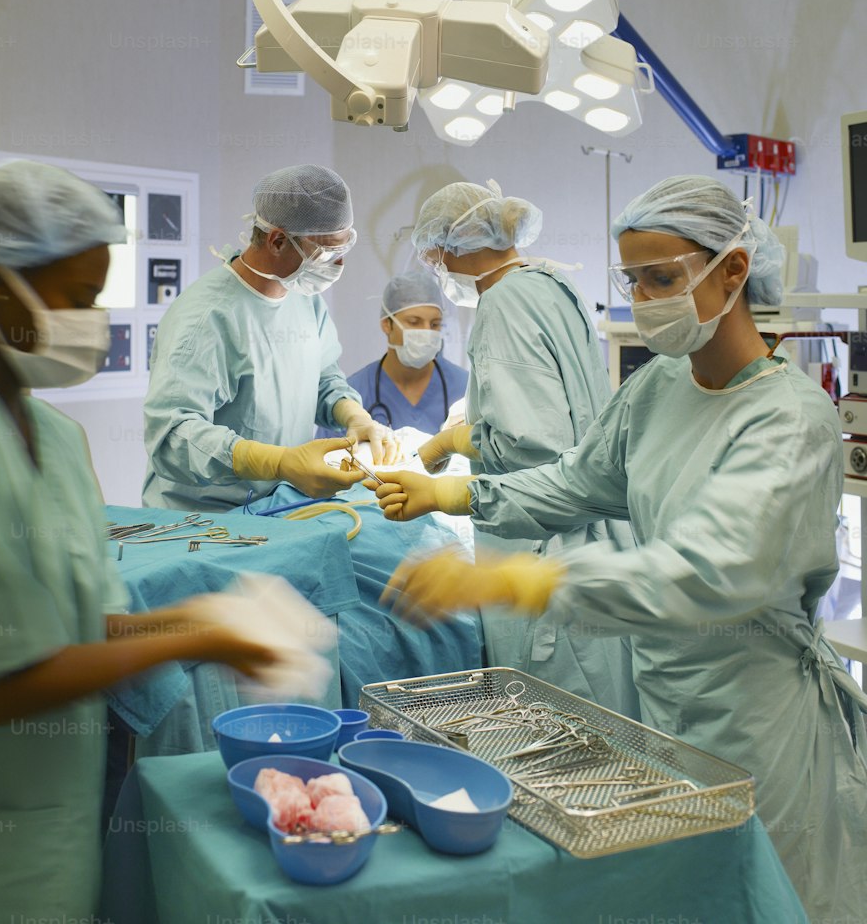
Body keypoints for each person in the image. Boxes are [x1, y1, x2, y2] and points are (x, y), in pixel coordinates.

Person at [375, 174, 867, 922]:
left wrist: (522, 583)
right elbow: (576, 481)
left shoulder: (790, 420)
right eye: (633, 279)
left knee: (764, 897)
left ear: (733, 270)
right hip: (661, 702)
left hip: (755, 714)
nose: (643, 299)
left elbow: (706, 574)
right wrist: (462, 494)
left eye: (663, 278)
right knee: (679, 896)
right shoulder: (659, 387)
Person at [0, 160, 287, 924]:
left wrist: (201, 621)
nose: (95, 321)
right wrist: (184, 642)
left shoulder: (56, 438)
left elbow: (81, 627)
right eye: (80, 298)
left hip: (49, 830)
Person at [395, 180, 638, 717]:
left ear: (456, 244)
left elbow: (531, 447)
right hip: (589, 540)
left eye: (434, 253)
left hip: (539, 548)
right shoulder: (550, 282)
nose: (434, 264)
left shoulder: (502, 303)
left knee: (563, 740)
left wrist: (456, 449)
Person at [143, 164, 398, 512]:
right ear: (278, 240)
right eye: (327, 253)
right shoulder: (207, 318)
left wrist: (356, 418)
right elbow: (173, 438)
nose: (338, 266)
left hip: (277, 505)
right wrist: (278, 462)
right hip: (206, 519)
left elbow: (322, 379)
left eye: (342, 252)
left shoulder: (305, 299)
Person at [321, 269, 469, 437]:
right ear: (387, 324)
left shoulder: (464, 388)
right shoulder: (352, 396)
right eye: (414, 322)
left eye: (435, 324)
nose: (427, 332)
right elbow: (327, 457)